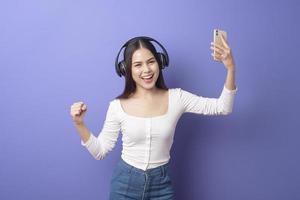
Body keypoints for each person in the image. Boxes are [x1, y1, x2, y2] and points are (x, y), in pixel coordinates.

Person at [70, 35, 237, 200]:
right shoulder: (117, 106)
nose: (146, 70)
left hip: (161, 186)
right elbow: (100, 151)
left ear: (160, 62)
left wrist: (230, 68)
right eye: (138, 65)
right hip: (125, 184)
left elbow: (223, 107)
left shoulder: (177, 98)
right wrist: (79, 123)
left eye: (151, 62)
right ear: (126, 69)